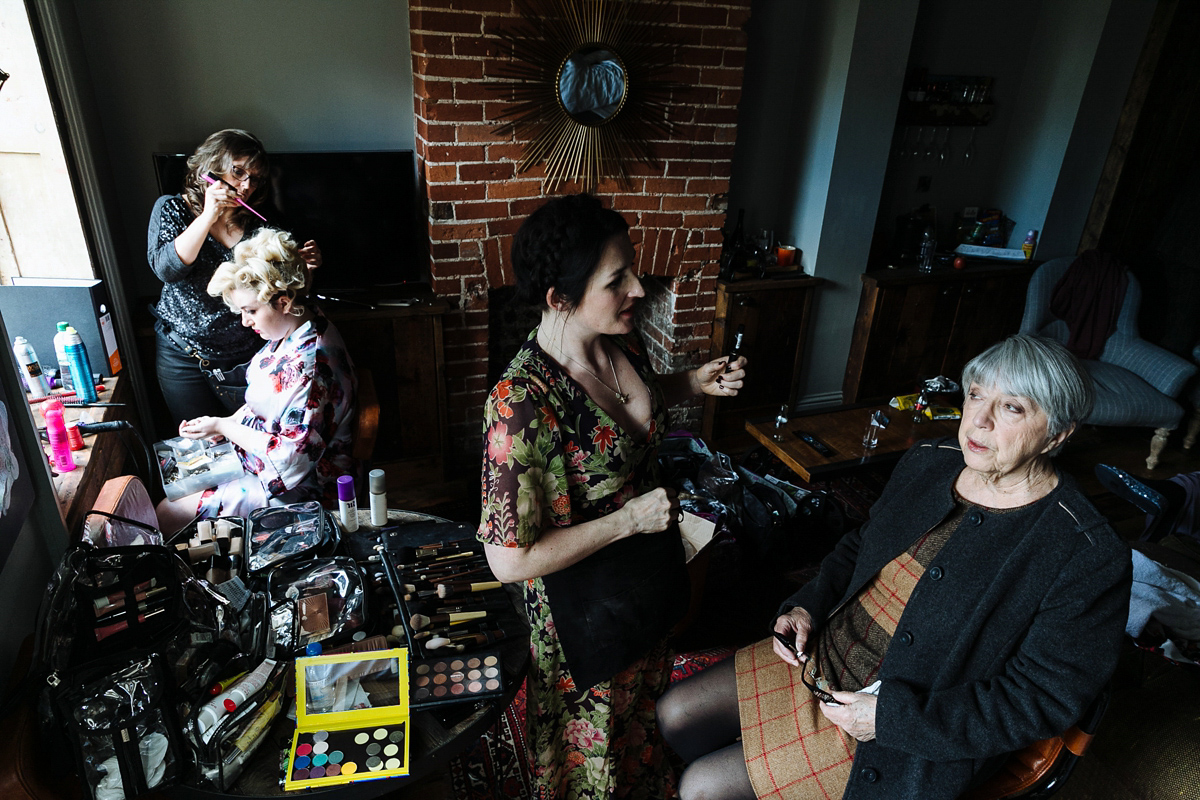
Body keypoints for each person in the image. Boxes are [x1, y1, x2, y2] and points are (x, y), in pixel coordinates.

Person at [655, 334, 1132, 800]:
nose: (978, 421)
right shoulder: (930, 461)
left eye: (1012, 408)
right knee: (675, 714)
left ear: (1059, 433)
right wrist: (807, 604)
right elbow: (860, 544)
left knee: (701, 787)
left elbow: (1038, 699)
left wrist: (889, 720)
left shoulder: (1084, 551)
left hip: (903, 729)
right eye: (976, 395)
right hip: (822, 656)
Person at [478, 194, 748, 799]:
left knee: (643, 727)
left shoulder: (622, 344)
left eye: (635, 270)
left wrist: (692, 382)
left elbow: (624, 411)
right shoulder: (520, 406)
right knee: (592, 761)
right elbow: (508, 561)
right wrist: (627, 521)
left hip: (645, 585)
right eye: (616, 280)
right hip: (585, 620)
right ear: (559, 299)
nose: (640, 290)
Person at [155, 228, 355, 534]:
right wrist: (219, 427)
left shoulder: (312, 369)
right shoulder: (297, 325)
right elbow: (262, 405)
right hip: (264, 460)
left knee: (168, 513)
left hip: (305, 489)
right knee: (176, 477)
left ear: (284, 302)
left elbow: (290, 463)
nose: (245, 321)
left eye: (250, 311)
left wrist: (225, 428)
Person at [148, 129, 322, 423]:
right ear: (210, 168)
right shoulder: (173, 208)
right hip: (183, 355)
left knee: (253, 433)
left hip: (247, 356)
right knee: (203, 446)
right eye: (238, 172)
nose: (245, 186)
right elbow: (167, 270)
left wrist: (308, 272)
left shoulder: (260, 225)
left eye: (254, 179)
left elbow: (286, 296)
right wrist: (207, 216)